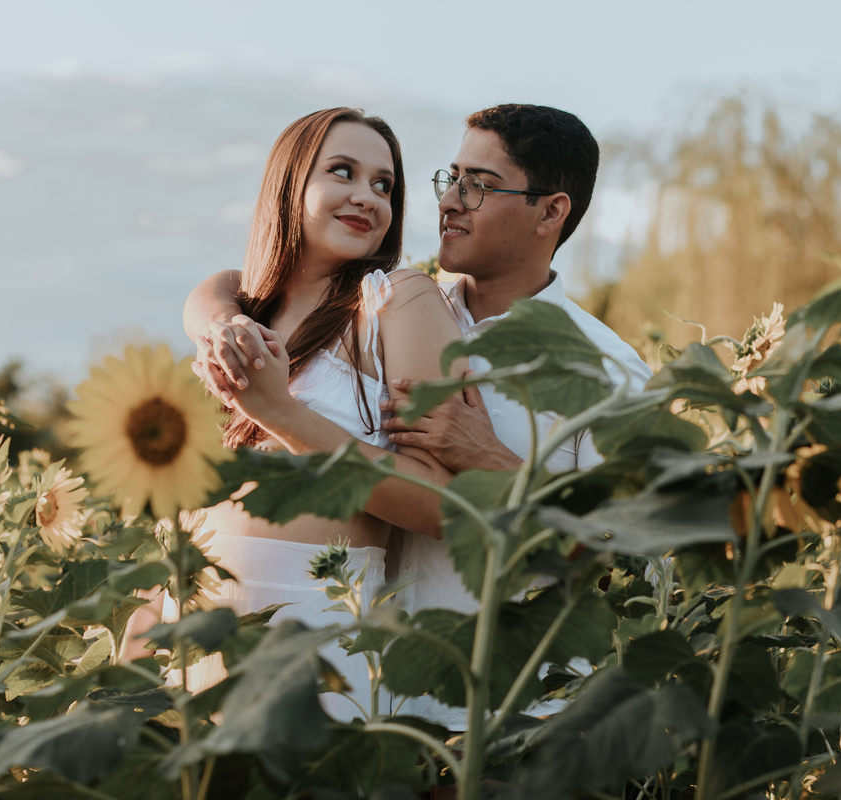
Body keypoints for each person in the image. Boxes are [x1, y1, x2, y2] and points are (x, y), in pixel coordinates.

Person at [188, 104, 653, 731]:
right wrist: (216, 316)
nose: (451, 202)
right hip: (386, 683)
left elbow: (624, 556)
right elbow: (230, 285)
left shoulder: (606, 370)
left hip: (503, 710)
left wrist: (491, 461)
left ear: (550, 211)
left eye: (479, 186)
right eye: (449, 179)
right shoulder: (389, 301)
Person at [133, 107, 465, 722]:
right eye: (343, 171)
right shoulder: (243, 310)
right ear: (290, 183)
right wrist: (150, 610)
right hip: (189, 621)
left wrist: (282, 413)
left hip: (313, 636)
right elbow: (212, 292)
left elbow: (445, 504)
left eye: (384, 185)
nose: (367, 197)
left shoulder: (396, 302)